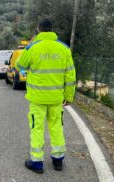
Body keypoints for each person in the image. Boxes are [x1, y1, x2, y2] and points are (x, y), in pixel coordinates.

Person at [16, 18, 76, 174]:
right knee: (56, 128)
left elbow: (19, 66)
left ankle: (37, 163)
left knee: (37, 129)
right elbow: (70, 76)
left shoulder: (32, 48)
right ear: (52, 29)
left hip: (37, 99)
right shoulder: (64, 49)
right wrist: (69, 97)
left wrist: (30, 44)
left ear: (38, 29)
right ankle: (58, 161)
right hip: (56, 99)